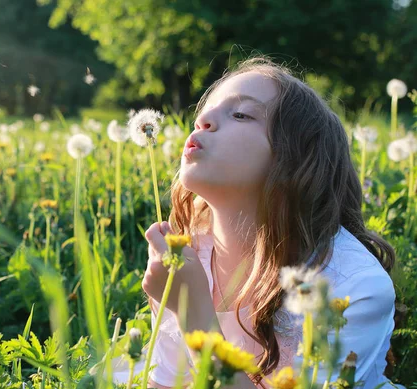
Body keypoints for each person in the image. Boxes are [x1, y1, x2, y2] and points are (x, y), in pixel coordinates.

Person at [129, 57, 401, 389]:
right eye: (206, 111)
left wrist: (194, 313)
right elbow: (169, 383)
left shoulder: (352, 286)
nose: (202, 120)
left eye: (240, 114)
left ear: (296, 161)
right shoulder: (190, 254)